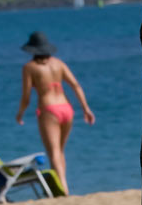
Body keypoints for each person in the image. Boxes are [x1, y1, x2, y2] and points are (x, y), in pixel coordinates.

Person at [15, 31, 95, 196]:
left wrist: (20, 113)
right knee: (60, 151)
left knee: (54, 153)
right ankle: (61, 185)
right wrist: (86, 108)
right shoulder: (59, 64)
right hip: (66, 108)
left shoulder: (29, 67)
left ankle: (63, 190)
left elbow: (26, 96)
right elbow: (76, 85)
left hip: (49, 110)